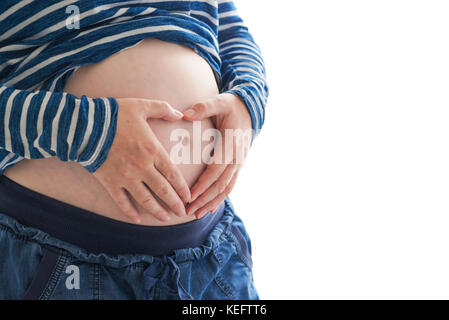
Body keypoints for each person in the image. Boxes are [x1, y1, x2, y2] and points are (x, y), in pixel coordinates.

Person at [0, 0, 268, 300]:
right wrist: (87, 132)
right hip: (60, 263)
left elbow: (227, 28)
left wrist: (248, 99)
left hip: (210, 256)